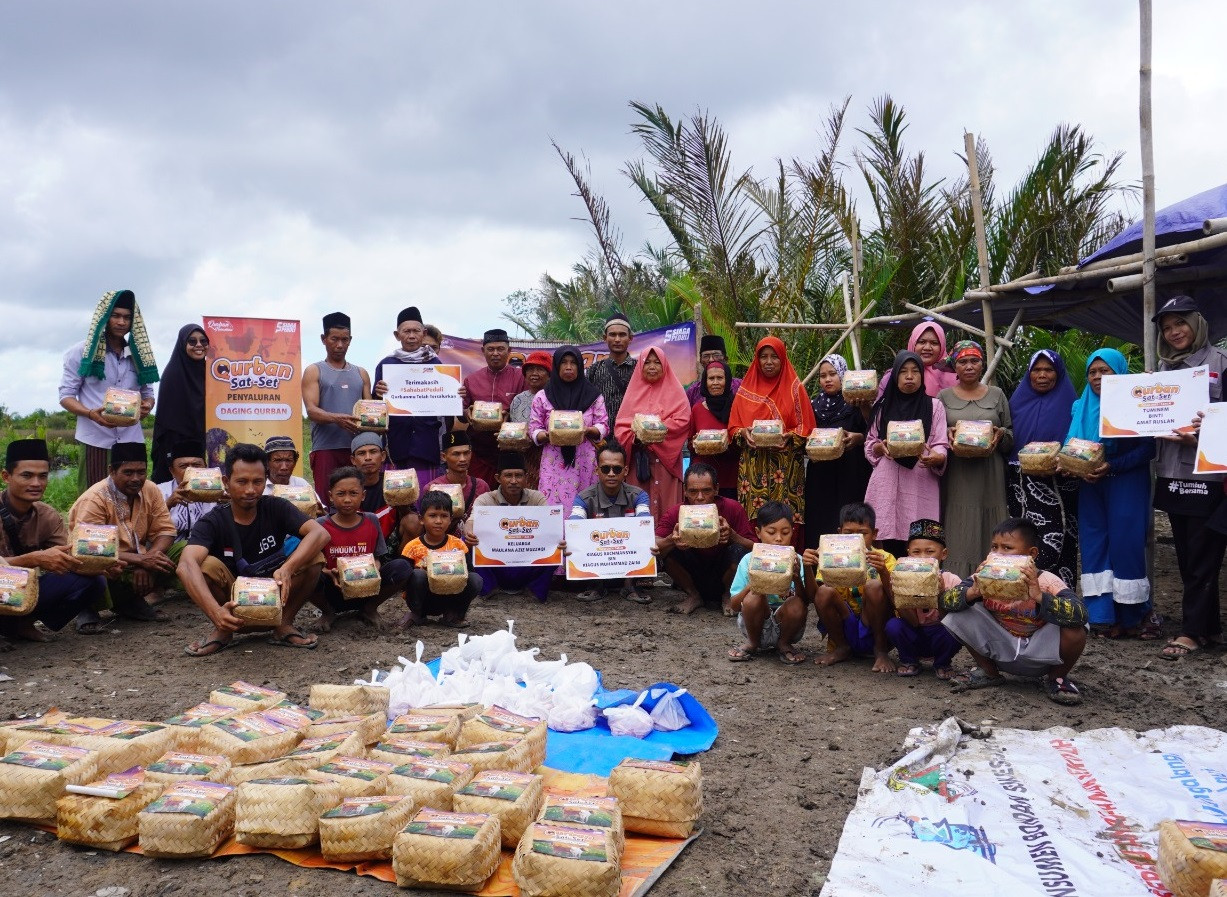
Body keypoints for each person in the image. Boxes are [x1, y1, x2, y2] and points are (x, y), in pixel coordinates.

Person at [178, 443, 328, 656]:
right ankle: (223, 628)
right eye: (242, 482)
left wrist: (288, 568)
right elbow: (185, 565)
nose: (250, 490)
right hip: (232, 601)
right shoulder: (212, 521)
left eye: (257, 482)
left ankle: (284, 624)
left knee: (314, 557)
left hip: (276, 591)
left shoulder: (276, 506)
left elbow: (320, 533)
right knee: (205, 565)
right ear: (226, 483)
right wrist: (216, 612)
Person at [1150, 296, 1227, 658]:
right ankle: (1209, 628)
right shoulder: (1163, 373)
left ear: (1197, 323)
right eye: (1167, 327)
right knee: (1186, 554)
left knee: (1202, 555)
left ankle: (1192, 632)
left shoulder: (1221, 365)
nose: (1174, 332)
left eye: (1180, 323)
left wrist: (1201, 437)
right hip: (1171, 473)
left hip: (1208, 476)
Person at [941, 518, 1087, 705]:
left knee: (1075, 628)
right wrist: (972, 592)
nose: (999, 554)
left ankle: (1057, 679)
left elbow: (1081, 614)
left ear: (1031, 554)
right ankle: (989, 672)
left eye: (1007, 548)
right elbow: (945, 603)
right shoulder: (981, 577)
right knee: (956, 611)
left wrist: (1040, 596)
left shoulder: (1047, 580)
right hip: (999, 649)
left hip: (1041, 655)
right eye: (994, 548)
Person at [1068, 348, 1154, 636]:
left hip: (1125, 482)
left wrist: (1112, 466)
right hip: (1091, 484)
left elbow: (1148, 449)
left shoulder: (1138, 404)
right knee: (1094, 544)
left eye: (1105, 371)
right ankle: (1102, 615)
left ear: (1119, 373)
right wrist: (1069, 463)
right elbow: (1072, 443)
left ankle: (1131, 615)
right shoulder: (1080, 406)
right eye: (1092, 372)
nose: (1097, 377)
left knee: (1125, 544)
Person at [0, 439, 108, 650]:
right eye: (26, 475)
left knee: (95, 581)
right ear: (6, 476)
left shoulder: (48, 515)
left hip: (18, 591)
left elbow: (71, 559)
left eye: (43, 476)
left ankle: (22, 624)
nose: (36, 483)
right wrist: (33, 559)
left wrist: (101, 564)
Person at [68, 442, 178, 628]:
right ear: (112, 470)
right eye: (128, 472)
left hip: (138, 557)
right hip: (108, 560)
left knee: (184, 551)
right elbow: (89, 549)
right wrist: (140, 560)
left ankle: (128, 602)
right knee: (94, 564)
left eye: (141, 472)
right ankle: (86, 607)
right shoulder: (95, 498)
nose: (136, 478)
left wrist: (148, 559)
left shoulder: (150, 489)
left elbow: (166, 531)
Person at [59, 290, 158, 491]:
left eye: (127, 317)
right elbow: (66, 396)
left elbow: (148, 393)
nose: (122, 322)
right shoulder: (82, 352)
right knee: (93, 497)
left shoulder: (138, 354)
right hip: (96, 438)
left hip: (131, 439)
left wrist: (147, 405)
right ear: (105, 317)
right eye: (116, 315)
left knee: (132, 499)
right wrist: (89, 414)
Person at [938, 340, 1014, 578]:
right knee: (959, 527)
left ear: (982, 364)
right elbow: (934, 435)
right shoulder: (943, 397)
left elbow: (1010, 436)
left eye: (974, 360)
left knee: (991, 524)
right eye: (962, 361)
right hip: (958, 474)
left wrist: (1000, 434)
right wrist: (946, 434)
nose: (969, 366)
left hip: (990, 474)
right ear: (954, 366)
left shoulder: (997, 395)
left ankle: (995, 583)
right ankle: (959, 587)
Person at [864, 351, 949, 558]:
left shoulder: (934, 406)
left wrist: (937, 457)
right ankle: (885, 585)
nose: (909, 376)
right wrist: (878, 448)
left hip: (920, 476)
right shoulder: (883, 406)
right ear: (895, 377)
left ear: (922, 375)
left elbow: (940, 443)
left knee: (920, 537)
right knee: (884, 534)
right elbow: (871, 441)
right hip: (887, 478)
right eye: (903, 372)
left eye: (915, 372)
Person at [1006, 350, 1079, 585]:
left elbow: (1079, 440)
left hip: (1059, 481)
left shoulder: (1072, 405)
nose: (1042, 375)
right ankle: (1022, 594)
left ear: (1058, 373)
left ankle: (1059, 596)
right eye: (1036, 370)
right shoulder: (1016, 402)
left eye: (1049, 370)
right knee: (1023, 536)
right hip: (1020, 484)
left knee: (1061, 538)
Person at [728, 336, 815, 529]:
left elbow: (807, 429)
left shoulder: (795, 389)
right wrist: (743, 433)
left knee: (784, 522)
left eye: (774, 357)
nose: (768, 362)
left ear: (783, 358)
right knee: (754, 522)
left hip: (785, 469)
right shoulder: (744, 391)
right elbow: (733, 429)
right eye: (763, 357)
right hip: (753, 469)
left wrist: (790, 436)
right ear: (757, 360)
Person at [312, 466, 411, 632]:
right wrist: (326, 571)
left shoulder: (371, 521)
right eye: (341, 494)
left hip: (367, 589)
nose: (347, 499)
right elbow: (315, 560)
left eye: (353, 493)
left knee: (402, 567)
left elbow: (378, 558)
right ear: (330, 496)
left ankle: (369, 608)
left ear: (362, 495)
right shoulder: (321, 525)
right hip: (333, 588)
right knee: (308, 574)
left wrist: (372, 571)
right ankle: (328, 612)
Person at [654, 462, 755, 615]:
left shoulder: (732, 508)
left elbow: (757, 549)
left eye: (706, 491)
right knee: (669, 552)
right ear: (685, 491)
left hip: (725, 576)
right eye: (693, 491)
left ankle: (728, 595)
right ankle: (694, 596)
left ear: (716, 489)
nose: (700, 497)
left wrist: (734, 537)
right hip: (691, 577)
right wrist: (671, 540)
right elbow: (653, 546)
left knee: (738, 551)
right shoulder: (676, 512)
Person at [811, 502, 899, 673]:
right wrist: (810, 565)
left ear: (874, 534)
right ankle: (842, 647)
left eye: (862, 534)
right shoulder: (830, 555)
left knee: (874, 586)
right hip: (845, 622)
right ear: (839, 533)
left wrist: (883, 572)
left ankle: (880, 651)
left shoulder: (885, 558)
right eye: (848, 533)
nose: (855, 539)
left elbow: (898, 601)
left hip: (875, 624)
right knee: (824, 591)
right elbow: (816, 597)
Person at [726, 501, 816, 665]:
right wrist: (754, 583)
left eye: (785, 532)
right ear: (758, 533)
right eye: (771, 532)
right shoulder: (749, 560)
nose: (779, 538)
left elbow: (807, 601)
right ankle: (753, 643)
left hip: (788, 625)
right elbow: (734, 605)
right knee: (754, 595)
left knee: (796, 603)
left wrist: (796, 577)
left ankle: (784, 643)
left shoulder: (798, 560)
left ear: (792, 532)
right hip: (755, 624)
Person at [531, 346, 608, 525]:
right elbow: (534, 428)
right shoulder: (543, 396)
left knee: (585, 505)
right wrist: (549, 435)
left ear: (580, 367)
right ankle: (555, 550)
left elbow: (603, 425)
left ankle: (582, 548)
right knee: (552, 505)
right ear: (556, 367)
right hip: (554, 460)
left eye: (573, 363)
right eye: (564, 362)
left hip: (584, 459)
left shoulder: (594, 395)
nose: (568, 367)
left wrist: (588, 430)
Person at [463, 452, 556, 603]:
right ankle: (489, 588)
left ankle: (535, 590)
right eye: (508, 475)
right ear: (498, 478)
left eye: (518, 475)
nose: (514, 481)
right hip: (496, 566)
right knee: (467, 540)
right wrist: (468, 530)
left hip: (527, 564)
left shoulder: (537, 498)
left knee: (557, 544)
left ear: (526, 477)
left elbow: (549, 528)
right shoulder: (486, 499)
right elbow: (472, 521)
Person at [303, 312, 372, 505]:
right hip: (326, 449)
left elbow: (370, 411)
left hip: (358, 450)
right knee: (327, 502)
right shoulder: (314, 370)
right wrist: (336, 419)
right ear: (323, 339)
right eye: (334, 339)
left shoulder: (361, 373)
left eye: (345, 339)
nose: (340, 345)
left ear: (350, 340)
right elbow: (311, 410)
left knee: (356, 502)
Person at [569, 442, 651, 603]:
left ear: (625, 471)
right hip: (597, 558)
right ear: (597, 470)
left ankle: (630, 585)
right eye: (606, 469)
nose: (611, 473)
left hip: (628, 560)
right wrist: (571, 541)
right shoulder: (583, 498)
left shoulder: (639, 496)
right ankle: (596, 585)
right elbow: (575, 527)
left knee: (648, 538)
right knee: (574, 541)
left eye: (617, 469)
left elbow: (644, 526)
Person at [616, 344, 691, 521]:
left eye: (657, 362)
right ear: (640, 365)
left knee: (668, 509)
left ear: (664, 365)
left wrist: (653, 430)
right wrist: (636, 437)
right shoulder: (632, 393)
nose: (652, 366)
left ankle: (669, 545)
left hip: (667, 462)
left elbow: (683, 420)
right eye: (647, 362)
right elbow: (621, 427)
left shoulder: (676, 391)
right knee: (639, 506)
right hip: (639, 461)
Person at [373, 306, 447, 485]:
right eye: (406, 331)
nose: (412, 336)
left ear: (424, 333)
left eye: (416, 331)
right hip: (396, 443)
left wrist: (455, 394)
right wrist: (377, 394)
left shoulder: (435, 363)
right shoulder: (386, 365)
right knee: (398, 495)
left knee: (425, 498)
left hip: (426, 444)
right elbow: (375, 408)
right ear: (397, 335)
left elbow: (445, 404)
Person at [803, 354, 871, 546]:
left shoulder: (856, 403)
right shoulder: (813, 406)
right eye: (823, 376)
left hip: (850, 473)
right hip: (821, 475)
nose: (827, 379)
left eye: (833, 374)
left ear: (843, 375)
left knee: (847, 519)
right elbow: (805, 435)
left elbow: (872, 431)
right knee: (820, 520)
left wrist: (858, 438)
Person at [884, 519, 963, 679]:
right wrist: (900, 592)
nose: (923, 558)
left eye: (929, 552)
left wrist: (940, 594)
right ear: (908, 553)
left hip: (940, 634)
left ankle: (942, 663)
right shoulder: (903, 579)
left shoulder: (952, 581)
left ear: (943, 554)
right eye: (916, 552)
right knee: (893, 625)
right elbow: (912, 622)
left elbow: (949, 620)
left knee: (958, 629)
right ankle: (909, 660)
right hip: (914, 633)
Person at [400, 490, 481, 628]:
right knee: (418, 575)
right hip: (424, 599)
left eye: (444, 516)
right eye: (432, 516)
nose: (438, 521)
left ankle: (454, 615)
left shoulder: (458, 545)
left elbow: (469, 573)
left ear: (451, 519)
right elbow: (403, 582)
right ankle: (417, 614)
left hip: (451, 597)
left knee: (476, 579)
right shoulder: (412, 547)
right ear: (421, 519)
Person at [458, 328, 525, 487]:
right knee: (481, 496)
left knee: (511, 498)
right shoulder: (472, 380)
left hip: (512, 450)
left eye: (500, 349)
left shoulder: (521, 377)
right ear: (483, 351)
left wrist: (510, 416)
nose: (495, 353)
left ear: (509, 351)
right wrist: (467, 413)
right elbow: (462, 411)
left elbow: (529, 410)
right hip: (480, 451)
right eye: (491, 349)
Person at [151, 324, 208, 483]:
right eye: (192, 341)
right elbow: (168, 419)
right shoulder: (173, 373)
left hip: (203, 440)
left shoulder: (210, 371)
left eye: (203, 341)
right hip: (176, 443)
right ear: (183, 344)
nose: (198, 345)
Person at [350, 431, 415, 558]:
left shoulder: (395, 482)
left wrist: (403, 503)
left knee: (413, 521)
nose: (368, 457)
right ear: (353, 460)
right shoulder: (346, 486)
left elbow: (411, 518)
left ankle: (402, 564)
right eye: (361, 453)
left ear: (383, 455)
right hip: (355, 546)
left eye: (373, 452)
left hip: (390, 545)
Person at [689, 361, 740, 500]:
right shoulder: (697, 409)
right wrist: (696, 443)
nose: (715, 382)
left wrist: (727, 442)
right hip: (703, 478)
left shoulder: (737, 407)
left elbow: (742, 439)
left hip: (730, 474)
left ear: (727, 380)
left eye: (720, 378)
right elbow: (690, 444)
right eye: (711, 379)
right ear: (705, 382)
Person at [423, 430, 491, 535]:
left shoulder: (481, 486)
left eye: (466, 453)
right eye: (456, 454)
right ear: (443, 457)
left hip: (475, 543)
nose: (463, 459)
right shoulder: (433, 488)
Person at [157, 440, 213, 552]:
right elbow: (146, 529)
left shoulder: (216, 490)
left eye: (197, 465)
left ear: (205, 467)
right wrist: (168, 504)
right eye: (184, 466)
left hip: (210, 548)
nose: (191, 470)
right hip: (168, 552)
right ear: (172, 471)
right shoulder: (158, 491)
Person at [509, 350, 551, 489]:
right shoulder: (518, 399)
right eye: (530, 369)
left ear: (549, 374)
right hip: (524, 457)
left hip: (548, 456)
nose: (534, 373)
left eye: (539, 369)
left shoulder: (555, 398)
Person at [586, 314, 636, 422]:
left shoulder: (640, 369)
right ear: (605, 338)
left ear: (630, 338)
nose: (617, 339)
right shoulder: (594, 370)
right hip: (601, 437)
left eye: (622, 335)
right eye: (612, 335)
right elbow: (586, 405)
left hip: (632, 436)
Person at [685, 335, 742, 404]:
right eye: (706, 356)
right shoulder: (693, 392)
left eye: (716, 355)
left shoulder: (740, 387)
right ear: (700, 361)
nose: (711, 360)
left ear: (725, 359)